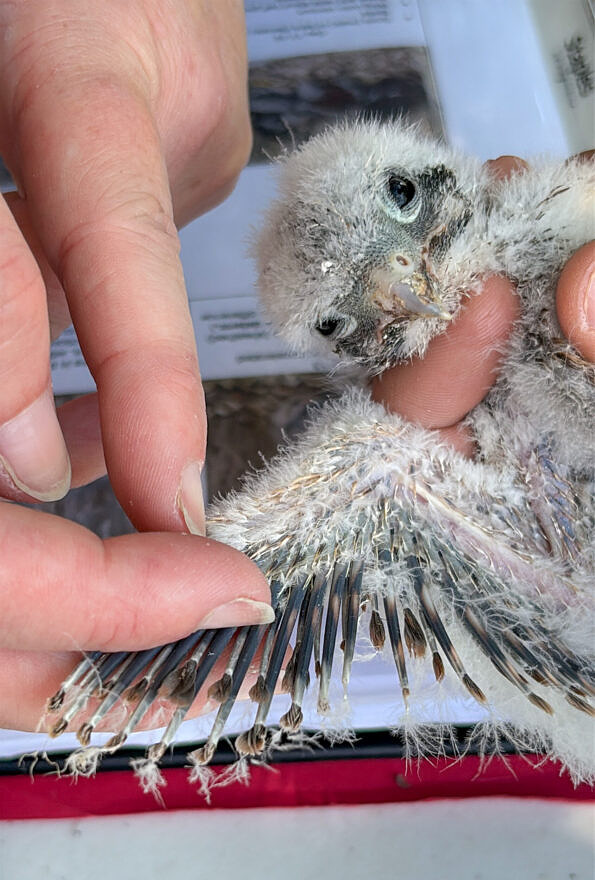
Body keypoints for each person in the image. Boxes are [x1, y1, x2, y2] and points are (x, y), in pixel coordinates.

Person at [0, 1, 592, 731]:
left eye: (399, 199)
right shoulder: (392, 459)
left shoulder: (556, 204)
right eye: (341, 319)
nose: (400, 283)